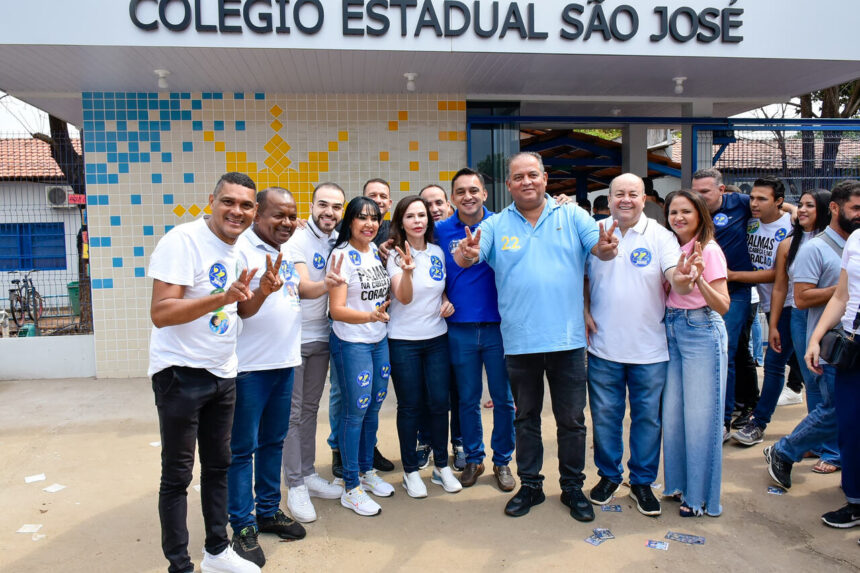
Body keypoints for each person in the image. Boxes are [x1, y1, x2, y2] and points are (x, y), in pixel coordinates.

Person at [455, 152, 619, 522]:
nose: (526, 181)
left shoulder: (572, 215)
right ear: (509, 185)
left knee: (572, 420)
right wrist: (465, 255)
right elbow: (470, 255)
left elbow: (601, 249)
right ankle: (531, 484)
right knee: (525, 418)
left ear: (545, 179)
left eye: (533, 175)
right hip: (520, 341)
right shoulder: (496, 224)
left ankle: (572, 487)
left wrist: (607, 249)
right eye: (518, 177)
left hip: (567, 341)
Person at [148, 172, 261, 573]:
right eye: (229, 202)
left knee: (219, 466)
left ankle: (217, 552)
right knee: (177, 475)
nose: (237, 211)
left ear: (254, 211)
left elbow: (241, 309)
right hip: (180, 374)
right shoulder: (183, 241)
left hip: (223, 373)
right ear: (211, 201)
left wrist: (260, 291)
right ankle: (180, 565)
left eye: (246, 205)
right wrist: (221, 296)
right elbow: (161, 313)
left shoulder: (243, 250)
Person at [584, 173, 697, 518]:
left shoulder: (662, 237)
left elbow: (673, 277)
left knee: (647, 419)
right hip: (603, 347)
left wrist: (683, 277)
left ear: (644, 197)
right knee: (605, 417)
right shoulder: (594, 232)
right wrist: (584, 309)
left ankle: (643, 481)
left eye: (633, 194)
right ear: (610, 197)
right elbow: (581, 277)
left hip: (650, 349)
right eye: (619, 194)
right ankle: (608, 476)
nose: (626, 200)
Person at [228, 188, 307, 567]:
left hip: (284, 362)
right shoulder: (240, 250)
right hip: (248, 368)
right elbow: (243, 311)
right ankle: (242, 526)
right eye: (279, 215)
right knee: (242, 449)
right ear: (258, 214)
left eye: (292, 216)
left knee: (274, 441)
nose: (287, 223)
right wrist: (261, 290)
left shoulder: (287, 250)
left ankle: (268, 511)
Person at [765, 180, 860, 490]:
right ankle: (785, 449)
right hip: (836, 344)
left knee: (836, 408)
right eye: (855, 207)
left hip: (841, 340)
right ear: (834, 208)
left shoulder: (855, 242)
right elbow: (801, 298)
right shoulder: (814, 248)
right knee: (834, 408)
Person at [436, 168, 517, 492]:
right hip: (460, 328)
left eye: (474, 190)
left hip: (499, 326)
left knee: (503, 399)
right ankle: (473, 458)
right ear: (453, 197)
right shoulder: (440, 230)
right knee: (467, 400)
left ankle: (502, 462)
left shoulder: (501, 224)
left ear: (484, 193)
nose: (468, 196)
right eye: (460, 191)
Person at [386, 195, 462, 497]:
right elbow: (403, 298)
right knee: (410, 406)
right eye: (410, 216)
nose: (418, 221)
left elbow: (439, 290)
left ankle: (442, 467)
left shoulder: (437, 252)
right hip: (403, 341)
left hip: (436, 338)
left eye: (422, 215)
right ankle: (410, 471)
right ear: (401, 223)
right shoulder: (393, 255)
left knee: (439, 404)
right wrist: (406, 269)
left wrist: (446, 302)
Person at [661, 190, 730, 517]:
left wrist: (699, 279)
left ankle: (700, 498)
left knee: (702, 417)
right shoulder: (671, 248)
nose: (678, 218)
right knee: (674, 416)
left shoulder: (709, 250)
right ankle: (677, 485)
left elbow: (723, 305)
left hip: (701, 330)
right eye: (673, 212)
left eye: (685, 211)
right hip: (672, 330)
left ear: (700, 214)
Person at [282, 183, 348, 524]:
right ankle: (294, 484)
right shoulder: (296, 240)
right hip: (292, 339)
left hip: (321, 336)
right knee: (292, 415)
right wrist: (331, 283)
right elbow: (305, 288)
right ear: (312, 204)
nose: (330, 212)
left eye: (337, 207)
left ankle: (307, 473)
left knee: (309, 410)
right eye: (323, 204)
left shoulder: (334, 240)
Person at [328, 196, 395, 516]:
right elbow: (336, 310)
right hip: (351, 342)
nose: (369, 223)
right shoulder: (341, 256)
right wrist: (369, 318)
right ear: (349, 221)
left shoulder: (374, 254)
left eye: (375, 218)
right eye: (362, 217)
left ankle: (367, 472)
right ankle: (350, 485)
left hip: (378, 340)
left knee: (373, 407)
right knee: (354, 412)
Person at [729, 178, 794, 445]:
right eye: (752, 198)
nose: (754, 203)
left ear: (778, 201)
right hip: (769, 303)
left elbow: (779, 275)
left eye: (762, 199)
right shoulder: (750, 221)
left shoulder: (791, 225)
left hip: (791, 303)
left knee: (775, 365)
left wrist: (733, 275)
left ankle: (758, 421)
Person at [806, 224, 860, 531]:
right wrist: (816, 337)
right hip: (852, 345)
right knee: (850, 425)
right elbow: (842, 294)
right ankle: (855, 501)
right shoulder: (856, 238)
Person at [416, 183, 464, 470]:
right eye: (426, 205)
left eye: (438, 203)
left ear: (449, 205)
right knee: (425, 390)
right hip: (424, 330)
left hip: (458, 326)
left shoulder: (456, 230)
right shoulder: (409, 239)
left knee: (457, 389)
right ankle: (425, 441)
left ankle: (457, 441)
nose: (432, 209)